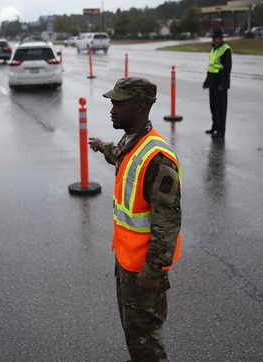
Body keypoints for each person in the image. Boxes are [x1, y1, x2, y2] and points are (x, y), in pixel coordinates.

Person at [88, 77, 182, 362]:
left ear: (140, 107)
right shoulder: (132, 142)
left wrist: (153, 271)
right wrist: (102, 146)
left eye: (119, 103)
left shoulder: (157, 159)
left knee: (146, 335)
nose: (112, 109)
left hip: (144, 267)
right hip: (127, 260)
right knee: (133, 330)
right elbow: (119, 156)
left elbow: (167, 222)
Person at [203, 28, 232, 139]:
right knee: (213, 108)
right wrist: (206, 82)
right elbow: (210, 68)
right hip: (212, 83)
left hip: (220, 85)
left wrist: (223, 84)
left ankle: (221, 131)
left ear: (221, 38)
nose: (214, 40)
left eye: (216, 38)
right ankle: (214, 127)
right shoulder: (214, 50)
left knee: (221, 109)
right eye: (213, 38)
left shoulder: (226, 50)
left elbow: (227, 69)